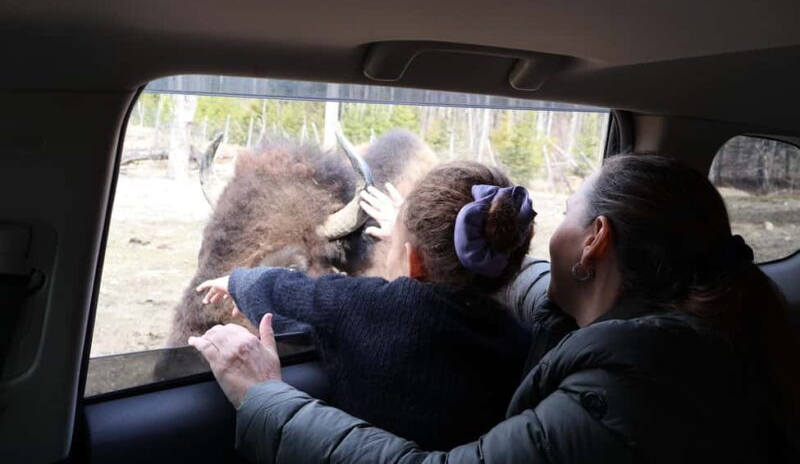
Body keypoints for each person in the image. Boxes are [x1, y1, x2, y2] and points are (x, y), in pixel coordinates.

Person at [190, 154, 800, 463]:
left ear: (595, 241)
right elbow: (528, 284)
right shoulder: (671, 339)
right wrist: (427, 235)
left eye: (567, 216)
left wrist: (265, 398)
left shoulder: (625, 399)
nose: (547, 235)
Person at [194, 161, 536, 450]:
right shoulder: (520, 342)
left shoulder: (365, 306)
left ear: (412, 260)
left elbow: (293, 291)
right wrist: (416, 237)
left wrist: (240, 283)